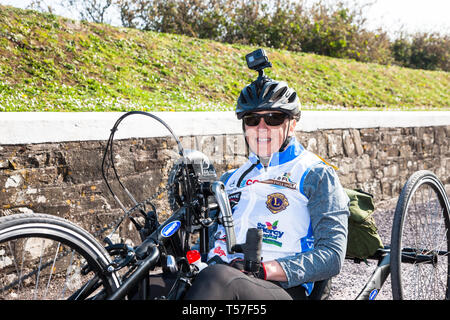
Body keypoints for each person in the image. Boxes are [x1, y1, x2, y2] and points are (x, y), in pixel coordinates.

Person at [183, 68, 350, 300]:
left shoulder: (316, 174)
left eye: (273, 118)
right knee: (152, 284)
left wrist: (264, 269)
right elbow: (208, 240)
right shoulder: (230, 180)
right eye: (252, 119)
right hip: (215, 279)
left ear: (291, 125)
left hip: (281, 288)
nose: (261, 128)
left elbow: (331, 256)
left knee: (218, 279)